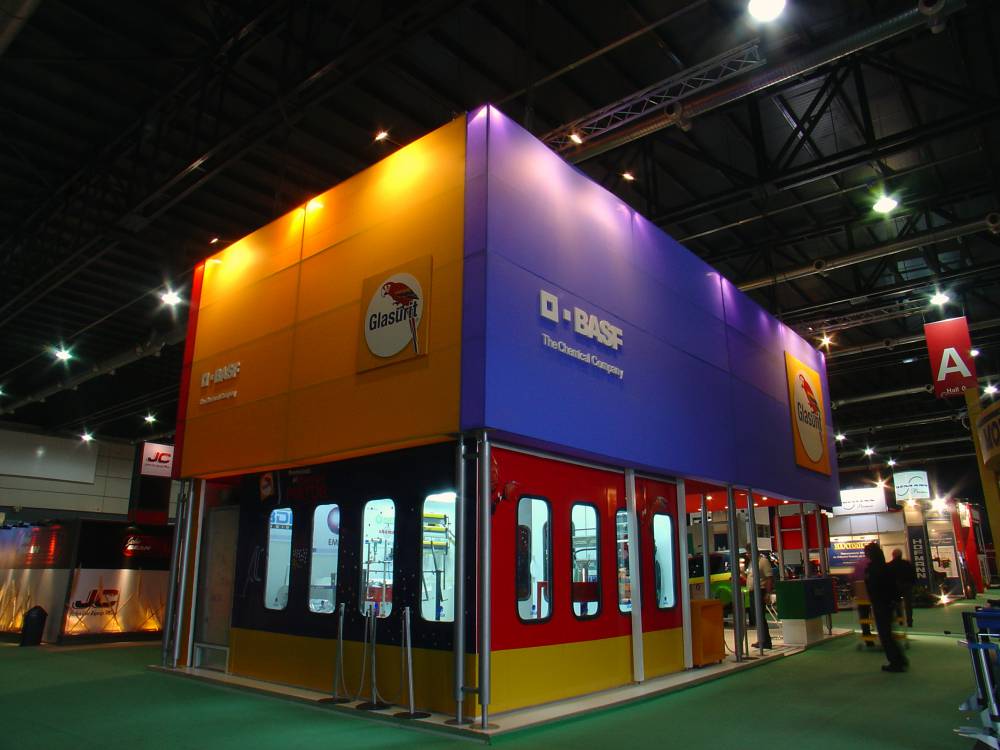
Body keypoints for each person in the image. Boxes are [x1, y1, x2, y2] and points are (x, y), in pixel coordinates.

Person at [865, 543, 907, 673]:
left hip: (881, 604)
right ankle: (900, 659)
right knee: (888, 633)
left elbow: (873, 587)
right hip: (888, 603)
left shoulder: (873, 569)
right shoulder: (885, 567)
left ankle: (895, 662)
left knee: (885, 635)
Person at [747, 550, 774, 649]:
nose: (747, 555)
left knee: (760, 617)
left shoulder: (763, 561)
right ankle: (761, 639)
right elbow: (750, 577)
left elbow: (769, 578)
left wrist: (768, 593)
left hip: (760, 591)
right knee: (755, 617)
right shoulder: (751, 563)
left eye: (749, 552)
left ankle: (766, 641)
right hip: (752, 592)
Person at [887, 549, 916, 627]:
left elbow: (888, 578)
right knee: (908, 605)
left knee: (897, 604)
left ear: (893, 555)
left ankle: (900, 621)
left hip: (895, 587)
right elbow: (913, 575)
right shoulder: (907, 564)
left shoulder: (890, 565)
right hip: (907, 586)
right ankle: (909, 621)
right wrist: (912, 584)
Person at [850, 551, 873, 641]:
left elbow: (852, 577)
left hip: (861, 593)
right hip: (873, 592)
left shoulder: (858, 563)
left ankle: (866, 634)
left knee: (863, 614)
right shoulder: (874, 563)